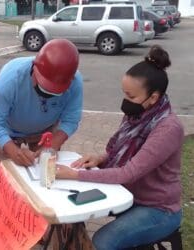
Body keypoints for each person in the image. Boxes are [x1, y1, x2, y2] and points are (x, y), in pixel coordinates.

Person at [56, 45, 183, 249]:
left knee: (103, 242)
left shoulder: (168, 128)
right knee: (69, 208)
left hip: (159, 209)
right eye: (125, 94)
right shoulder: (138, 115)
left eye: (131, 97)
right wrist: (100, 158)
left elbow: (128, 173)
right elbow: (117, 151)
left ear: (153, 98)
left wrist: (74, 174)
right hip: (130, 196)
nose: (126, 102)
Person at [0, 39, 83, 167]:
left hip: (45, 133)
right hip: (8, 133)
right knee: (8, 177)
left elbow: (71, 120)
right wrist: (13, 151)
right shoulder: (10, 81)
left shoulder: (74, 81)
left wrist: (53, 145)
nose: (48, 95)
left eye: (55, 92)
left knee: (46, 171)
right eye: (44, 87)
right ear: (34, 69)